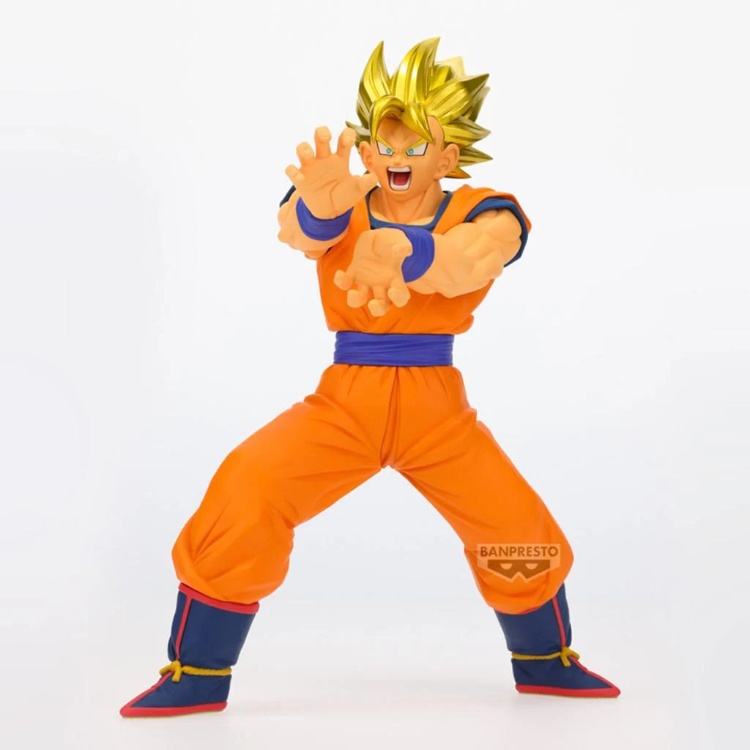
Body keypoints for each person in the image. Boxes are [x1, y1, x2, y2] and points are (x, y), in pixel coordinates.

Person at [120, 37, 619, 718]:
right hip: (345, 402)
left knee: (513, 526)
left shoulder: (487, 208)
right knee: (247, 488)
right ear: (365, 148)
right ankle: (198, 672)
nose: (396, 157)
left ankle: (544, 661)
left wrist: (408, 252)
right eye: (384, 142)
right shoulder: (341, 196)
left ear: (448, 157)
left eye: (415, 145)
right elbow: (300, 230)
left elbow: (473, 260)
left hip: (437, 410)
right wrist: (321, 208)